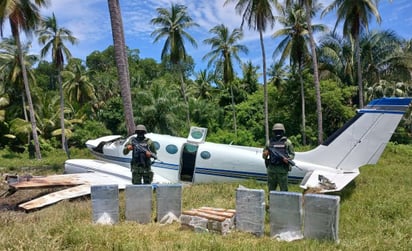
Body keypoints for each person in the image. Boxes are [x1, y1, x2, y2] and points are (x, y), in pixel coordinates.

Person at [262, 123, 295, 192]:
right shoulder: (269, 142)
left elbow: (292, 154)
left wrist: (288, 159)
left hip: (282, 170)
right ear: (273, 132)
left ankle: (283, 203)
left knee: (284, 191)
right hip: (272, 170)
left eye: (280, 131)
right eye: (276, 131)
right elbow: (263, 156)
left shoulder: (287, 142)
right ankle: (271, 202)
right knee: (271, 191)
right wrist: (265, 154)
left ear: (283, 132)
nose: (278, 133)